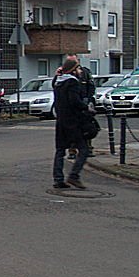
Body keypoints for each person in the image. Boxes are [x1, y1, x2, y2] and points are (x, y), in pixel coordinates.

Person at [52, 58, 93, 189]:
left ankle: (58, 179)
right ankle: (74, 176)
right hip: (73, 122)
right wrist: (87, 108)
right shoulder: (72, 83)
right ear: (73, 70)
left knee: (60, 150)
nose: (80, 71)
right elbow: (74, 101)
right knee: (84, 149)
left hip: (61, 121)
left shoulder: (58, 82)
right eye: (78, 68)